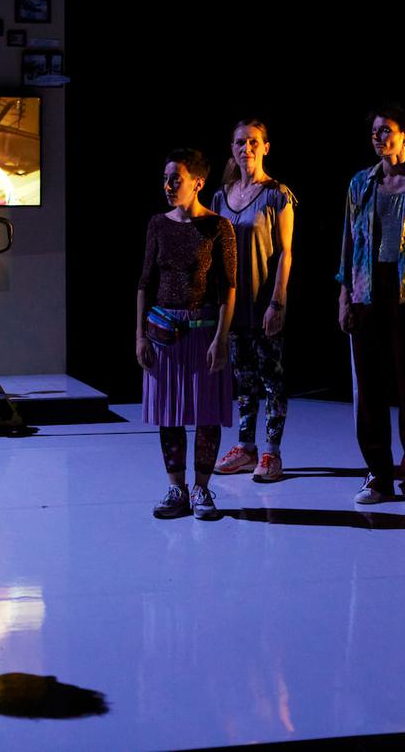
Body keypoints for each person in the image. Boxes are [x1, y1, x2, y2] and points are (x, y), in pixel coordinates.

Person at [336, 104, 405, 511]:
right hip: (368, 293)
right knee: (368, 391)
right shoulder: (360, 184)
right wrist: (344, 296)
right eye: (375, 133)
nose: (381, 138)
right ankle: (378, 475)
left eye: (388, 131)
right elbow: (348, 246)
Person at [136, 148, 237, 520]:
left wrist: (221, 338)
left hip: (204, 331)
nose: (168, 185)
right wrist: (140, 337)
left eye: (175, 179)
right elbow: (145, 282)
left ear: (198, 182)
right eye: (165, 179)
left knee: (207, 415)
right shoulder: (157, 224)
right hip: (164, 335)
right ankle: (176, 488)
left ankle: (202, 489)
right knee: (170, 415)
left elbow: (229, 287)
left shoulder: (218, 227)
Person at [210, 120, 295, 482]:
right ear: (232, 148)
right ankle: (246, 448)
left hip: (263, 304)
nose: (247, 149)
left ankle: (272, 453)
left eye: (253, 142)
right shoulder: (221, 196)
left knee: (272, 380)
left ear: (266, 147)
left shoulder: (277, 194)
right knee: (243, 381)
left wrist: (277, 302)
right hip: (233, 305)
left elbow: (286, 253)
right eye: (240, 142)